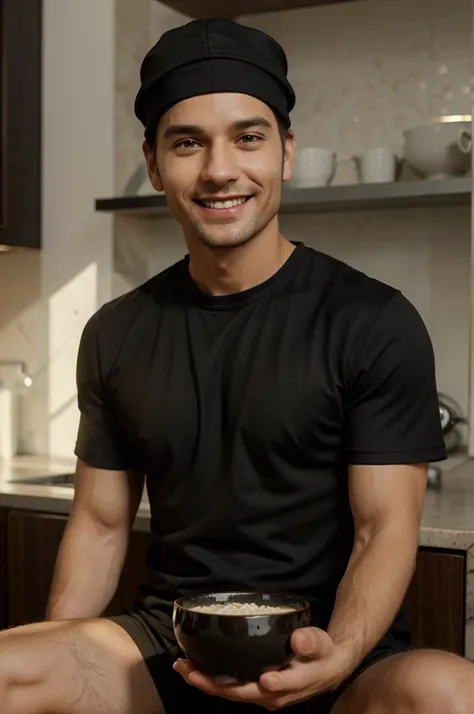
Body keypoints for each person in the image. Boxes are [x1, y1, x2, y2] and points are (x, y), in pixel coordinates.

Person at [1, 17, 473, 714]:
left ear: (285, 151)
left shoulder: (374, 321)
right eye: (188, 142)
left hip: (336, 657)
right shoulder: (116, 333)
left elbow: (385, 530)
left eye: (248, 137)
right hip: (171, 647)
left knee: (449, 691)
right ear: (155, 163)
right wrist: (60, 652)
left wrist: (338, 654)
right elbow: (100, 527)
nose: (220, 169)